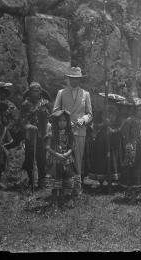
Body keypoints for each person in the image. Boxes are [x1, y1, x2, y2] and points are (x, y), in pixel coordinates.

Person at [53, 67, 92, 199]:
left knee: (78, 159)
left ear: (80, 79)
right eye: (71, 78)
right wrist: (63, 120)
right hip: (64, 132)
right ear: (68, 79)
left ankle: (77, 187)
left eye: (76, 78)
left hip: (80, 131)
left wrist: (82, 120)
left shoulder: (85, 94)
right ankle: (63, 187)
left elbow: (90, 114)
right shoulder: (61, 93)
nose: (74, 81)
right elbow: (55, 111)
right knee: (64, 158)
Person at [19, 82, 51, 190]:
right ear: (29, 92)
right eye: (33, 91)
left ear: (40, 92)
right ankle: (31, 180)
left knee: (42, 158)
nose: (35, 93)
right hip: (30, 135)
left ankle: (42, 180)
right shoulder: (25, 104)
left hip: (42, 134)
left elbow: (49, 117)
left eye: (37, 91)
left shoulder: (45, 103)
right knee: (29, 158)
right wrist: (28, 125)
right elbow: (22, 120)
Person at [88, 95, 124, 188]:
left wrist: (113, 129)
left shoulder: (119, 114)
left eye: (113, 103)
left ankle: (112, 181)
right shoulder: (100, 113)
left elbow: (121, 127)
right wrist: (103, 124)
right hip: (102, 139)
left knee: (113, 159)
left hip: (114, 139)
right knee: (101, 159)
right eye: (109, 102)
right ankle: (100, 181)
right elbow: (94, 125)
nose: (111, 105)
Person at [43, 110, 76, 208]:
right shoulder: (52, 134)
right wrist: (58, 155)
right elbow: (47, 147)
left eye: (64, 120)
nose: (62, 123)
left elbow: (73, 147)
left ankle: (66, 198)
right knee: (56, 180)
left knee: (67, 179)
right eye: (60, 120)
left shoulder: (70, 133)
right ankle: (54, 200)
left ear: (68, 122)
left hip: (67, 160)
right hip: (55, 160)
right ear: (56, 122)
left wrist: (66, 154)